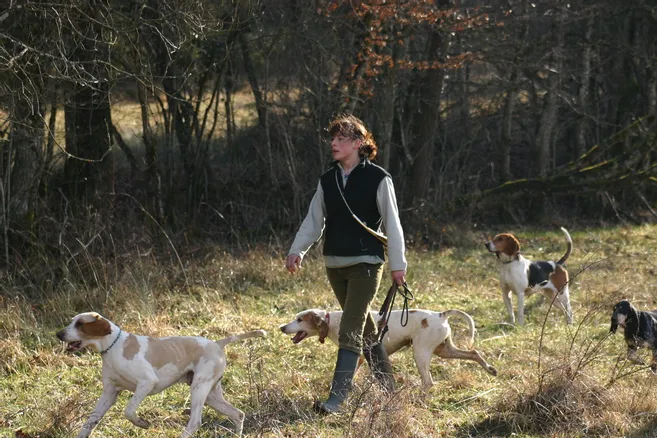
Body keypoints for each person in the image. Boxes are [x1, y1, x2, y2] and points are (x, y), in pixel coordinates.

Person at [285, 113, 407, 414]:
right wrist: (297, 250)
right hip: (334, 264)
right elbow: (314, 221)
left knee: (351, 325)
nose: (334, 144)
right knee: (365, 330)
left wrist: (398, 263)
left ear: (358, 143)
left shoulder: (378, 178)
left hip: (367, 263)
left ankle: (336, 400)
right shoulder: (327, 179)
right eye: (333, 138)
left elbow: (393, 223)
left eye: (341, 139)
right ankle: (390, 391)